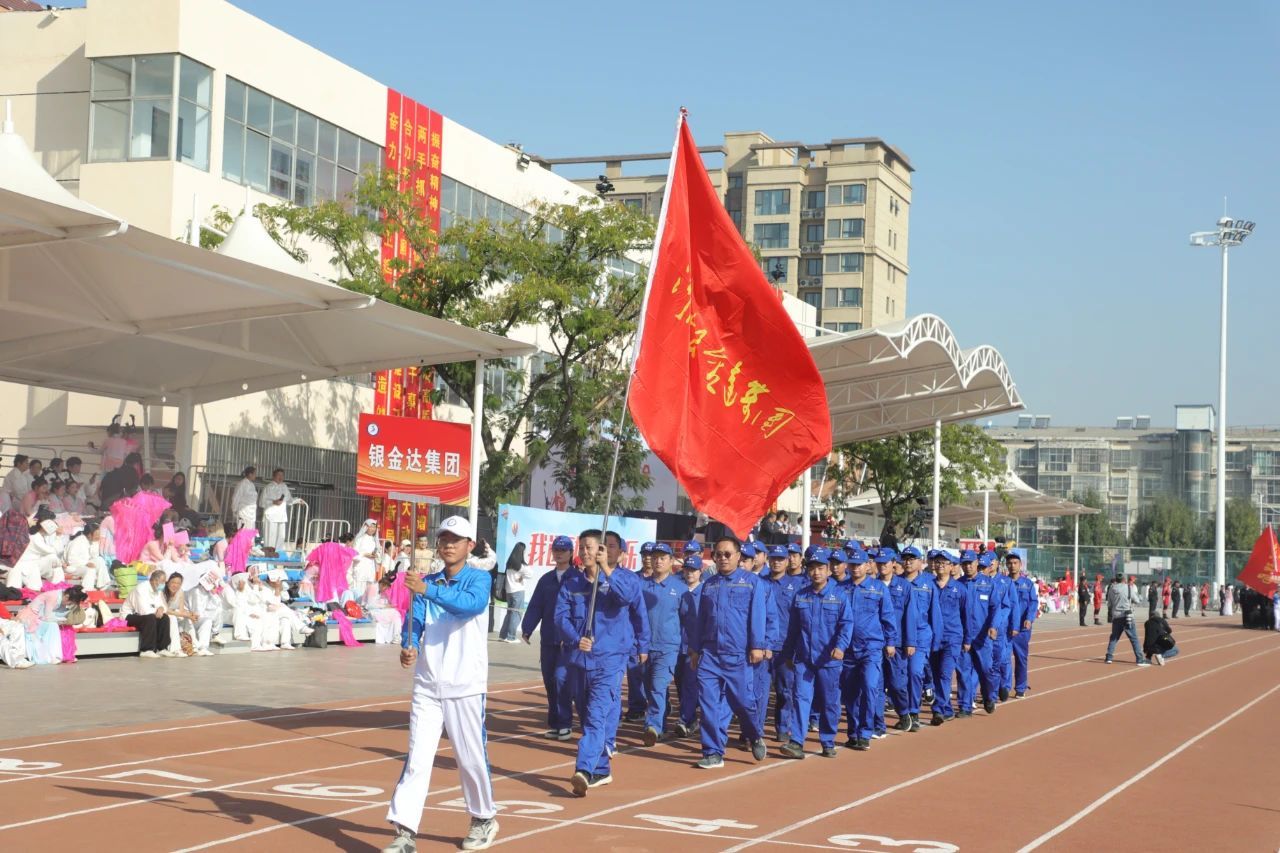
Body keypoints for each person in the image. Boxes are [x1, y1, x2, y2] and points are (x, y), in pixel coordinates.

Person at [384, 514, 498, 853]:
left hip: (465, 683)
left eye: (456, 539)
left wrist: (427, 589)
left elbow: (469, 606)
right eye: (444, 538)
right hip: (428, 684)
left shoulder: (479, 580)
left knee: (470, 757)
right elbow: (415, 619)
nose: (448, 544)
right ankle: (405, 832)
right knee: (418, 758)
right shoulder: (426, 581)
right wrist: (411, 645)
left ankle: (483, 818)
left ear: (469, 545)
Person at [554, 528, 648, 795]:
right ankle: (602, 770)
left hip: (610, 660)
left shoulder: (625, 580)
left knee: (596, 716)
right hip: (579, 659)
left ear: (602, 551)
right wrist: (575, 639)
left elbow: (630, 602)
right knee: (585, 716)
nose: (585, 552)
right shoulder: (572, 584)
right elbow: (561, 618)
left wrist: (607, 570)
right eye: (581, 547)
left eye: (590, 548)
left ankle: (583, 769)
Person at [689, 536, 769, 769]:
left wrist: (757, 646)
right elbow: (700, 620)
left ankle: (754, 734)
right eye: (718, 554)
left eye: (727, 554)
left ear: (738, 556)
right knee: (708, 704)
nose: (722, 558)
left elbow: (758, 616)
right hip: (711, 654)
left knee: (744, 702)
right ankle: (713, 751)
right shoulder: (709, 585)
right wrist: (694, 649)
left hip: (739, 655)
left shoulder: (752, 583)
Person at [779, 547, 851, 759]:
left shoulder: (839, 596)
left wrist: (841, 647)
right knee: (801, 698)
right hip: (804, 659)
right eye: (812, 568)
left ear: (829, 571)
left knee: (829, 702)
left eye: (821, 568)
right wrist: (788, 655)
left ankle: (827, 740)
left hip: (829, 660)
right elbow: (792, 629)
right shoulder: (800, 596)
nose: (816, 572)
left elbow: (846, 624)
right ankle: (796, 742)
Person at [521, 535, 576, 740]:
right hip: (548, 638)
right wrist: (527, 628)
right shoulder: (546, 580)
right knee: (549, 681)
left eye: (563, 549)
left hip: (568, 640)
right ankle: (555, 723)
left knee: (562, 679)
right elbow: (536, 605)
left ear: (571, 553)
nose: (559, 553)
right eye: (556, 550)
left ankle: (565, 723)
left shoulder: (577, 579)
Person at [841, 543, 897, 750]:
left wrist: (891, 642)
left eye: (859, 564)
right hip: (847, 650)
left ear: (867, 565)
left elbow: (888, 617)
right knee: (850, 693)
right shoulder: (840, 589)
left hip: (871, 648)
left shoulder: (878, 588)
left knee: (870, 687)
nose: (855, 568)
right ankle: (853, 732)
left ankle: (866, 731)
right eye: (852, 564)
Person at [760, 544, 807, 743]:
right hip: (761, 646)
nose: (777, 562)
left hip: (784, 648)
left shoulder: (797, 586)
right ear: (768, 560)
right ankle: (754, 730)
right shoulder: (759, 583)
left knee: (784, 691)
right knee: (758, 692)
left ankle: (782, 727)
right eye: (774, 558)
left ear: (787, 561)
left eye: (781, 558)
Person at [640, 542, 683, 746]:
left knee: (658, 686)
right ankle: (661, 724)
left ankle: (653, 726)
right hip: (645, 647)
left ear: (671, 561)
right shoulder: (643, 586)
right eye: (655, 557)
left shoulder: (680, 588)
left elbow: (689, 620)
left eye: (662, 558)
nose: (658, 561)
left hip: (668, 647)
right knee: (650, 689)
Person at [874, 548, 914, 731]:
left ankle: (904, 712)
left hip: (897, 644)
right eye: (879, 562)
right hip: (874, 643)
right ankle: (878, 723)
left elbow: (910, 616)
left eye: (886, 562)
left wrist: (910, 642)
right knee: (876, 685)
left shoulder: (904, 587)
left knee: (898, 684)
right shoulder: (871, 585)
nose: (882, 566)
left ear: (893, 564)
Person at [929, 551, 964, 725]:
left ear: (952, 566)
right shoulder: (928, 585)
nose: (940, 565)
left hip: (952, 638)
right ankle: (948, 708)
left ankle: (938, 709)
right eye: (938, 562)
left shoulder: (960, 589)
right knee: (935, 675)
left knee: (944, 674)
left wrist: (968, 639)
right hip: (932, 638)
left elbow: (967, 615)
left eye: (944, 562)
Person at [672, 554, 704, 739]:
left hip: (696, 647)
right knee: (679, 683)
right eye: (687, 569)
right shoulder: (680, 591)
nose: (690, 573)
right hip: (678, 645)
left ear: (700, 571)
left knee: (691, 684)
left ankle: (686, 719)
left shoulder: (705, 592)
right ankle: (690, 718)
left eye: (693, 570)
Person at [16, 585, 87, 664]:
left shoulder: (62, 596)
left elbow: (58, 615)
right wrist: (62, 621)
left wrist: (66, 619)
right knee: (53, 626)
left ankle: (55, 655)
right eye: (70, 602)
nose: (69, 604)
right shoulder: (53, 596)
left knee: (57, 626)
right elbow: (47, 617)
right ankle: (50, 656)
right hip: (31, 618)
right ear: (67, 597)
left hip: (41, 618)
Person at [121, 569, 177, 658]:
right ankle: (146, 650)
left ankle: (162, 648)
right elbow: (143, 611)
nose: (164, 584)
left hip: (146, 615)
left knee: (165, 617)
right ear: (155, 580)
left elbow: (163, 606)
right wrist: (157, 610)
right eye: (162, 581)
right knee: (150, 618)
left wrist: (161, 608)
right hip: (129, 616)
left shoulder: (157, 590)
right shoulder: (141, 589)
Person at [1104, 574, 1150, 666]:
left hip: (1116, 616)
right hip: (1127, 615)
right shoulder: (1129, 588)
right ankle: (1140, 659)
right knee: (1134, 638)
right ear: (1124, 579)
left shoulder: (1111, 589)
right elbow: (1136, 600)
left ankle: (1109, 657)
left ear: (1116, 579)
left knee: (1114, 637)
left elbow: (1109, 604)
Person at [499, 542, 532, 643]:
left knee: (509, 613)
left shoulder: (509, 564)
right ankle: (511, 637)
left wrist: (522, 575)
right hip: (518, 591)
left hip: (509, 592)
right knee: (516, 614)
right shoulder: (521, 566)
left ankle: (503, 635)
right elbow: (531, 574)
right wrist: (523, 576)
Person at [64, 522, 109, 591]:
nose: (98, 536)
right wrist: (86, 563)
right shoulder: (78, 541)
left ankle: (102, 584)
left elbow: (94, 556)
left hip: (83, 564)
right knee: (90, 569)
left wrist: (95, 543)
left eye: (99, 534)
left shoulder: (90, 541)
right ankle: (86, 590)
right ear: (89, 535)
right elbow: (71, 559)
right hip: (73, 567)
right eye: (96, 534)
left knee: (100, 560)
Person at [161, 571, 198, 656]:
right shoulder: (162, 591)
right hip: (163, 614)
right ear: (168, 582)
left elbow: (181, 610)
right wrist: (184, 614)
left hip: (174, 613)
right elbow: (166, 610)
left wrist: (190, 614)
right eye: (173, 582)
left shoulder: (180, 591)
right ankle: (175, 649)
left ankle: (194, 646)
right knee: (173, 617)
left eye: (178, 583)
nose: (175, 585)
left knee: (187, 618)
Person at [258, 469, 295, 552]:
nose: (280, 477)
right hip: (271, 516)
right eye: (279, 475)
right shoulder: (268, 487)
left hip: (281, 516)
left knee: (281, 537)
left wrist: (298, 500)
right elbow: (261, 502)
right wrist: (273, 502)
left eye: (282, 475)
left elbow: (289, 500)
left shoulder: (284, 487)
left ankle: (278, 553)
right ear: (274, 476)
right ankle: (269, 554)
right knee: (271, 537)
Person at [350, 518, 380, 600]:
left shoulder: (374, 541)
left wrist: (375, 555)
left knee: (369, 587)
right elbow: (354, 554)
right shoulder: (359, 539)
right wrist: (364, 554)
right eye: (371, 527)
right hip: (361, 567)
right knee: (359, 587)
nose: (372, 529)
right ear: (366, 527)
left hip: (370, 568)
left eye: (374, 527)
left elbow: (379, 555)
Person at [230, 466, 258, 535]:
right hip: (243, 513)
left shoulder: (252, 485)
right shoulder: (242, 484)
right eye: (254, 474)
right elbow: (236, 497)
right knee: (242, 534)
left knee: (250, 535)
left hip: (251, 514)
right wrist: (234, 510)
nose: (255, 476)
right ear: (250, 474)